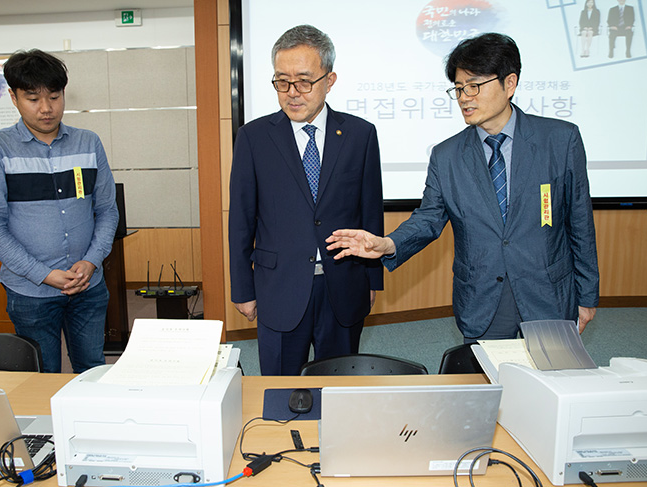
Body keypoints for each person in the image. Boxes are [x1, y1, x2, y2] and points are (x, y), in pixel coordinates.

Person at [326, 33, 599, 343]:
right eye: (458, 89)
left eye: (474, 86)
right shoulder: (447, 156)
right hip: (483, 300)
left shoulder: (560, 140)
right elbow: (428, 219)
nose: (465, 98)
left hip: (547, 295)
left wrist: (587, 295)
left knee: (551, 385)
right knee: (491, 388)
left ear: (510, 84)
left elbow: (580, 223)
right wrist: (387, 244)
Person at [228, 24, 384, 375]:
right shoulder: (253, 138)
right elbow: (240, 219)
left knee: (341, 387)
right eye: (281, 81)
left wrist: (373, 281)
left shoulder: (360, 135)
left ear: (329, 80)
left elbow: (370, 212)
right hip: (278, 288)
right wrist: (242, 289)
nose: (291, 93)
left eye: (303, 81)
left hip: (344, 284)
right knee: (281, 391)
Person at [0, 49, 119, 373]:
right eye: (33, 98)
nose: (47, 108)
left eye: (54, 96)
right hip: (30, 292)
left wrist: (92, 261)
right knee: (40, 376)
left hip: (88, 287)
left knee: (92, 370)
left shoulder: (88, 143)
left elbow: (107, 210)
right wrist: (44, 274)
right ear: (13, 97)